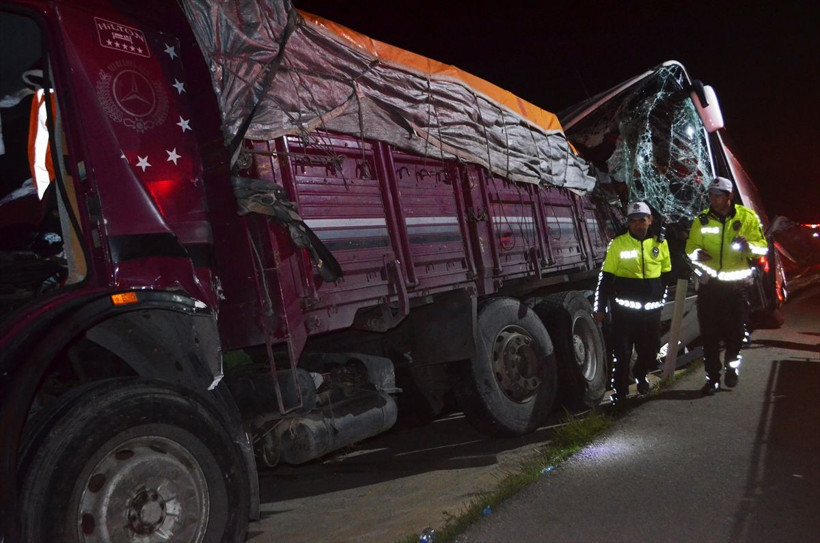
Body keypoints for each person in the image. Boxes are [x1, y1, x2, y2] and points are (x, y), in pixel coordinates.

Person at [685, 176, 768, 395]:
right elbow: (690, 248)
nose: (713, 199)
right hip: (710, 287)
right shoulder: (702, 220)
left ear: (729, 196)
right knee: (709, 336)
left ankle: (732, 367)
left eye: (718, 196)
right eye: (711, 195)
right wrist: (697, 253)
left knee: (736, 335)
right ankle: (712, 378)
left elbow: (763, 248)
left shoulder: (747, 217)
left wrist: (749, 246)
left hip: (736, 288)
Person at [594, 201, 672, 403]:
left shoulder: (660, 244)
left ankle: (640, 374)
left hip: (651, 312)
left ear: (650, 220)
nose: (638, 225)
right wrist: (600, 308)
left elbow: (665, 276)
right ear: (628, 223)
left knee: (651, 350)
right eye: (633, 221)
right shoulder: (618, 244)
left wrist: (661, 302)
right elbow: (605, 279)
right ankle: (620, 394)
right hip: (624, 313)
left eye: (642, 220)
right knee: (622, 353)